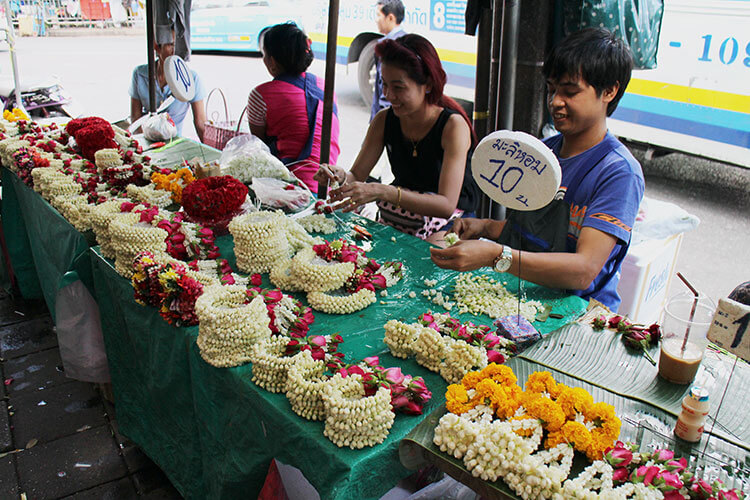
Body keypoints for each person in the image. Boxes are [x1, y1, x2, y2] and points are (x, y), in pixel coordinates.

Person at [431, 27, 645, 311]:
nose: (556, 101)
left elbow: (583, 269)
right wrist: (485, 227)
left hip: (580, 313)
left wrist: (497, 255)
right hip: (524, 300)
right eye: (552, 89)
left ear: (609, 91)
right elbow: (540, 234)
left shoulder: (617, 173)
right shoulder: (544, 153)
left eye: (570, 92)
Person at [315, 34, 480, 243]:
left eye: (398, 87)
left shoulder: (453, 127)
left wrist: (384, 192)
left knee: (429, 259)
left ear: (427, 84)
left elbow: (446, 205)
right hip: (402, 217)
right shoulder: (384, 120)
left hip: (451, 222)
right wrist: (339, 176)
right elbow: (357, 175)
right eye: (384, 84)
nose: (388, 95)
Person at [246, 22, 340, 192]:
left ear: (272, 61)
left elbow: (259, 148)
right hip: (327, 182)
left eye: (265, 54)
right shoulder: (325, 87)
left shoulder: (261, 95)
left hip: (290, 187)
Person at [129, 30, 206, 141]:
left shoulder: (191, 79)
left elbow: (200, 123)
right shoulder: (139, 74)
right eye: (171, 45)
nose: (176, 51)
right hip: (147, 140)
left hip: (174, 142)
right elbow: (135, 118)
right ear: (157, 47)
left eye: (179, 46)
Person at [371, 0, 406, 121]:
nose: (376, 20)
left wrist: (379, 120)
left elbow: (383, 91)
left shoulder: (389, 47)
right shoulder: (406, 41)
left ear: (390, 18)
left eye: (378, 15)